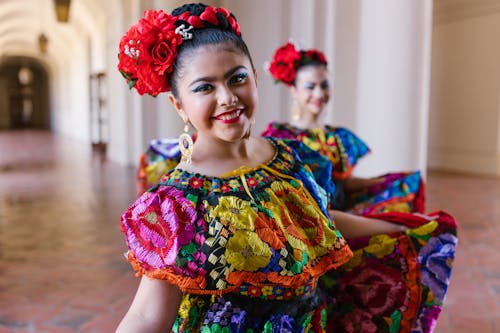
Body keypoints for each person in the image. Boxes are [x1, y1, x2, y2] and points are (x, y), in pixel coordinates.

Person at [116, 4, 457, 333]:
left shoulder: (288, 158)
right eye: (205, 87)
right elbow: (147, 317)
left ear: (255, 80)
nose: (227, 97)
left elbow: (320, 221)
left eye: (237, 78)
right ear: (179, 105)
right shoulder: (177, 204)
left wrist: (398, 227)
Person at [262, 41, 425, 216]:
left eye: (324, 85)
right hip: (307, 216)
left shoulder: (339, 137)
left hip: (341, 210)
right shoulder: (280, 136)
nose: (319, 94)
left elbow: (344, 184)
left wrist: (381, 181)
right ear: (294, 90)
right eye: (310, 87)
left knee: (405, 190)